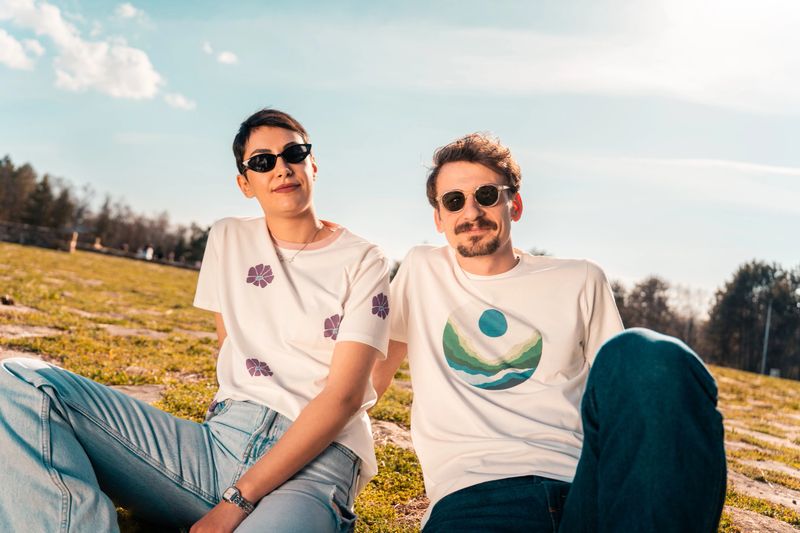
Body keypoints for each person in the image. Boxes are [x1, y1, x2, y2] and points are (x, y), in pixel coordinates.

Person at [0, 109, 391, 532]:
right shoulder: (228, 237)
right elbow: (230, 345)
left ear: (312, 164)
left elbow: (345, 398)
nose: (281, 167)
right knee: (19, 384)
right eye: (262, 161)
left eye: (293, 153)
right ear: (245, 184)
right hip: (217, 444)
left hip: (316, 461)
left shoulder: (365, 259)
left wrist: (236, 502)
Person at [372, 133, 726, 532]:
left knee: (649, 354)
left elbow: (622, 392)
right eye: (454, 201)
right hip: (476, 500)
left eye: (486, 195)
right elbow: (370, 376)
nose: (471, 211)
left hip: (583, 489)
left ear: (514, 204)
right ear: (439, 218)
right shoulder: (421, 271)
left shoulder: (580, 278)